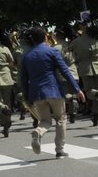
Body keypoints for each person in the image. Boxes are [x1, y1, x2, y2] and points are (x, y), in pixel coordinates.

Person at [19, 27, 84, 158]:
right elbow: (65, 71)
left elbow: (23, 79)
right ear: (44, 38)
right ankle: (59, 150)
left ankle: (38, 131)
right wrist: (77, 89)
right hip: (54, 90)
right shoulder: (51, 51)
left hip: (36, 93)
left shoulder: (26, 56)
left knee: (45, 121)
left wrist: (26, 97)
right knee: (60, 119)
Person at [65, 22, 98, 126]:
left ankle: (97, 96)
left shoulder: (77, 41)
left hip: (85, 67)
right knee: (96, 91)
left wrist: (76, 57)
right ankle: (96, 113)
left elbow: (68, 50)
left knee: (88, 91)